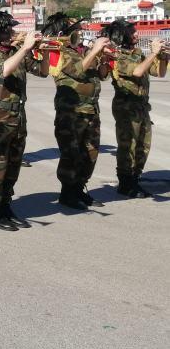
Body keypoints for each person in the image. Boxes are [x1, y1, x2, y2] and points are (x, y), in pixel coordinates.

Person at [0, 12, 48, 231]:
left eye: (11, 29)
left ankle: (6, 206)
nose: (12, 32)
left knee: (14, 166)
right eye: (7, 30)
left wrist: (42, 53)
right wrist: (25, 47)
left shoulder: (16, 52)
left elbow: (43, 72)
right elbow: (3, 70)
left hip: (18, 116)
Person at [40, 13, 112, 210]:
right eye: (76, 31)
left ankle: (79, 189)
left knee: (90, 154)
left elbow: (102, 75)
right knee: (71, 155)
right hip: (71, 112)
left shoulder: (82, 51)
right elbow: (77, 71)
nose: (80, 33)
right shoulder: (58, 51)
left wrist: (103, 58)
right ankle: (68, 194)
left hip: (90, 110)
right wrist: (94, 50)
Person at [101, 19, 167, 198]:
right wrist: (154, 53)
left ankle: (135, 179)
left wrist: (163, 57)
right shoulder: (118, 55)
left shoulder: (137, 53)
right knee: (127, 146)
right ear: (122, 36)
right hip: (126, 107)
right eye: (133, 32)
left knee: (143, 146)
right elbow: (137, 72)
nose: (137, 34)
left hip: (142, 106)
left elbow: (159, 73)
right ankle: (125, 183)